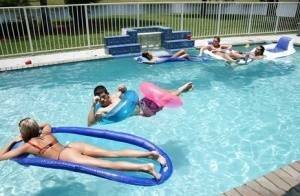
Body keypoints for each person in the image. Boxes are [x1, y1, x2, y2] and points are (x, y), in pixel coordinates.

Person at [0, 118, 167, 180]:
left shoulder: (28, 146)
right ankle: (149, 154)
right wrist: (36, 127)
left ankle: (146, 167)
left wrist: (13, 141)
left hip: (66, 157)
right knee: (111, 154)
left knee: (108, 165)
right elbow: (48, 123)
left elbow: (2, 156)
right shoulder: (46, 133)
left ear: (23, 133)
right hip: (72, 146)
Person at [88, 82, 193, 126]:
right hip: (145, 111)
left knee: (164, 94)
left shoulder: (115, 95)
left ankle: (180, 91)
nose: (102, 100)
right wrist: (93, 105)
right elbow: (90, 124)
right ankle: (181, 89)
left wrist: (123, 88)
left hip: (142, 102)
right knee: (164, 98)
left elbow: (125, 93)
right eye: (99, 98)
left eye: (103, 97)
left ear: (107, 94)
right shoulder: (101, 110)